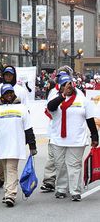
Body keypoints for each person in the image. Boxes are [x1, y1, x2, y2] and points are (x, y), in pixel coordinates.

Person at [46, 73, 99, 201]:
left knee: (74, 165)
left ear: (73, 86)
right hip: (58, 139)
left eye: (69, 85)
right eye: (64, 85)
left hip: (77, 139)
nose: (67, 87)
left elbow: (90, 120)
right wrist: (63, 96)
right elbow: (50, 108)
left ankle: (75, 190)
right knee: (60, 165)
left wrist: (94, 136)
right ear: (60, 87)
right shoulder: (56, 99)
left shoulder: (82, 100)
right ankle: (61, 189)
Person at [0, 83, 36, 207]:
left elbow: (28, 128)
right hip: (1, 145)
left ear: (14, 94)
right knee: (6, 170)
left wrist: (32, 145)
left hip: (16, 144)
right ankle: (8, 191)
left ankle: (10, 195)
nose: (9, 95)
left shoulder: (22, 108)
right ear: (2, 95)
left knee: (11, 169)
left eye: (10, 93)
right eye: (6, 93)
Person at [0, 65, 28, 188]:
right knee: (2, 158)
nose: (8, 77)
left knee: (12, 160)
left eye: (10, 75)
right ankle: (2, 176)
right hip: (1, 127)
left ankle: (10, 183)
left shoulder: (21, 90)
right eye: (6, 75)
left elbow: (25, 108)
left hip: (15, 126)